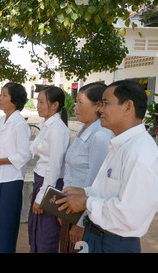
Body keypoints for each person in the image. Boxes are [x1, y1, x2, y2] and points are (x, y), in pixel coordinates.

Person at [57, 80, 158, 253]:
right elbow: (110, 193)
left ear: (128, 106)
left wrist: (86, 202)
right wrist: (86, 192)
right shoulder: (120, 144)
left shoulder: (140, 152)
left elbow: (130, 214)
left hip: (114, 243)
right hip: (97, 236)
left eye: (106, 103)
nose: (101, 109)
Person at [58, 83, 112, 253]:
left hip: (83, 214)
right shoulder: (84, 129)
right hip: (71, 208)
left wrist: (81, 223)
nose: (75, 107)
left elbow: (95, 183)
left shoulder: (100, 136)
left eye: (81, 102)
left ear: (98, 105)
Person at [0, 83, 31, 253]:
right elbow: (7, 146)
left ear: (14, 100)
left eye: (4, 95)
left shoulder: (19, 124)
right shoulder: (4, 120)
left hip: (11, 180)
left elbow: (24, 155)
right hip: (0, 178)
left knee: (7, 226)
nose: (0, 99)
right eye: (1, 95)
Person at [28, 86, 70, 253]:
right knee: (36, 230)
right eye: (37, 102)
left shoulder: (58, 130)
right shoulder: (46, 125)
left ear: (54, 105)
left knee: (47, 234)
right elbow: (31, 151)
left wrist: (41, 196)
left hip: (51, 186)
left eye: (41, 102)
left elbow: (54, 167)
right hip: (42, 182)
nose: (37, 106)